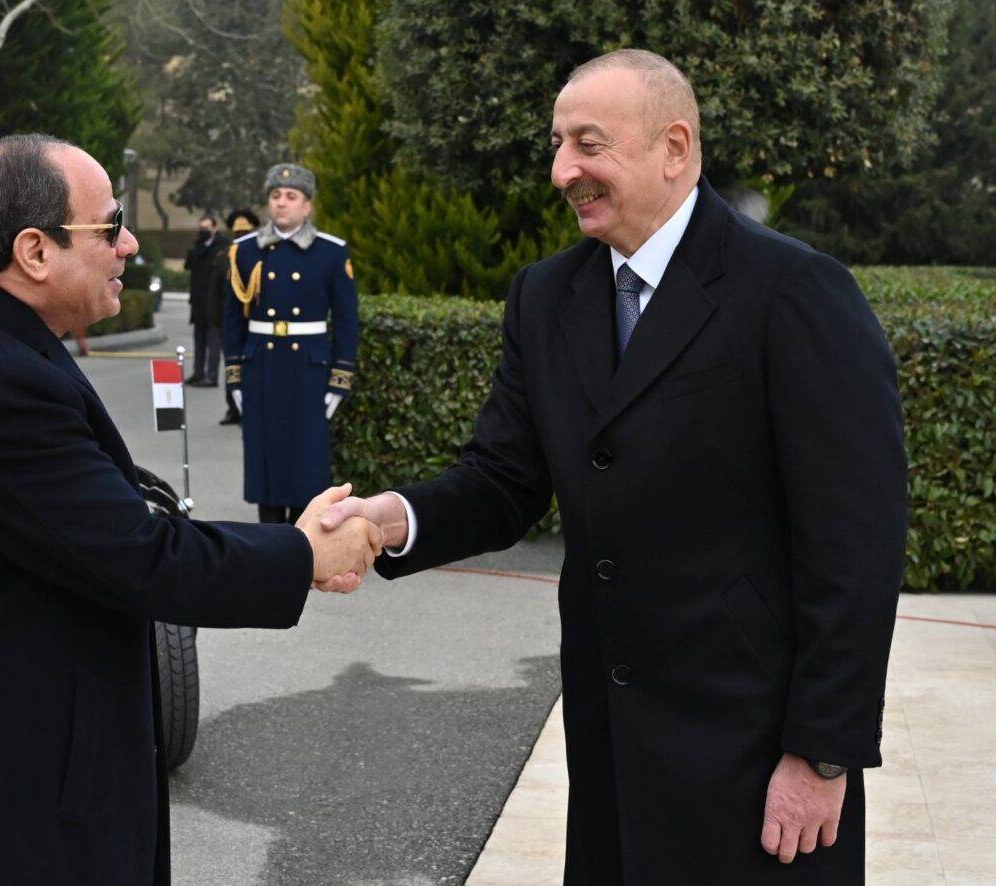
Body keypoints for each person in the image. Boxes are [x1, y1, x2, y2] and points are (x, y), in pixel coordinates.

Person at [321, 50, 907, 884]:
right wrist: (390, 520)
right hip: (611, 744)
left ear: (674, 147)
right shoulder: (546, 296)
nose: (564, 171)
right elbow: (503, 478)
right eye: (557, 146)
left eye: (588, 146)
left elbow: (857, 544)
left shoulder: (794, 291)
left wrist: (821, 757)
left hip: (753, 756)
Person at [0, 134, 380, 886]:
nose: (129, 243)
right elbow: (140, 555)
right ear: (35, 251)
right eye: (109, 226)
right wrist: (305, 555)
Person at [224, 166, 359, 524]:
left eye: (291, 196)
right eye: (275, 195)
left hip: (307, 372)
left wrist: (340, 379)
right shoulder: (245, 250)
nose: (281, 203)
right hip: (261, 368)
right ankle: (270, 548)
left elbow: (346, 322)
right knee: (264, 461)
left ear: (307, 206)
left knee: (306, 466)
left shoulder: (331, 252)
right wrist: (235, 377)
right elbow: (232, 321)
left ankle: (303, 550)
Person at [216, 209, 260, 425]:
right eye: (238, 233)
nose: (240, 237)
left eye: (245, 232)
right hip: (231, 319)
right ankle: (233, 407)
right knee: (232, 363)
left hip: (253, 320)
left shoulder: (261, 255)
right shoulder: (227, 256)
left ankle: (250, 408)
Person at [183, 213, 229, 386]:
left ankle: (212, 375)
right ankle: (198, 372)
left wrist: (207, 246)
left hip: (216, 302)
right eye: (201, 228)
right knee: (199, 338)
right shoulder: (197, 245)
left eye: (207, 228)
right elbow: (189, 264)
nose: (204, 231)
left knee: (214, 340)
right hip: (198, 300)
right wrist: (198, 245)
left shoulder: (223, 245)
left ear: (215, 228)